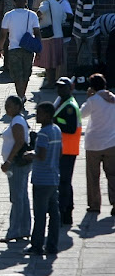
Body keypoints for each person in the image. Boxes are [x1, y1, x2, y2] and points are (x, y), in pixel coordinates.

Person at [24, 102, 62, 255]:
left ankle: (37, 246)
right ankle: (52, 245)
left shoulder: (44, 133)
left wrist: (29, 155)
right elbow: (59, 152)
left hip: (41, 180)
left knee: (40, 215)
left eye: (39, 113)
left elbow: (41, 155)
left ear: (47, 114)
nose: (37, 116)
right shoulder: (57, 130)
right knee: (54, 213)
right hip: (53, 178)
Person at [80, 74, 115, 215]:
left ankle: (94, 205)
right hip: (112, 143)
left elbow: (81, 114)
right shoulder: (113, 99)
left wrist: (88, 98)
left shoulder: (93, 100)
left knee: (93, 176)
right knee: (112, 175)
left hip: (94, 143)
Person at [0, 95, 31, 243]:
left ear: (18, 107)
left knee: (17, 197)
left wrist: (8, 161)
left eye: (10, 105)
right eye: (6, 105)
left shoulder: (17, 122)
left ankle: (15, 231)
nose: (7, 108)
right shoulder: (17, 120)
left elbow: (19, 142)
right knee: (22, 196)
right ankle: (24, 229)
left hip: (16, 165)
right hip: (19, 165)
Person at [0, 0, 41, 100]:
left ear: (14, 2)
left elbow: (3, 34)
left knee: (17, 74)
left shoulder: (8, 15)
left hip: (13, 48)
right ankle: (22, 95)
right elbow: (37, 33)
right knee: (26, 73)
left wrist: (0, 48)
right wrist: (39, 50)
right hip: (28, 48)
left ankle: (20, 96)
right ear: (26, 2)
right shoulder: (32, 15)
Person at [51, 78, 81, 225]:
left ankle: (65, 212)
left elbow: (71, 128)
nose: (59, 90)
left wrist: (55, 123)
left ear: (70, 88)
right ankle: (65, 212)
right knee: (64, 182)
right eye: (58, 87)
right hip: (62, 149)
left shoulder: (70, 106)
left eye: (63, 88)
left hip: (68, 149)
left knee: (64, 182)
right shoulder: (61, 101)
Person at [35, 0, 65, 88]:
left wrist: (38, 20)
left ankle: (49, 82)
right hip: (59, 35)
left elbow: (40, 12)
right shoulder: (58, 4)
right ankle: (54, 81)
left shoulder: (45, 3)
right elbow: (63, 18)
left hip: (48, 36)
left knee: (48, 61)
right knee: (55, 61)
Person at [73, 0, 96, 88]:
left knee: (84, 60)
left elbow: (86, 16)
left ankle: (84, 83)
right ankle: (82, 81)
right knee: (82, 59)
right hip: (80, 32)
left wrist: (83, 34)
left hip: (84, 34)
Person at [55, 0, 75, 80]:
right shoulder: (57, 2)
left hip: (64, 35)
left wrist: (61, 16)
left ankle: (62, 77)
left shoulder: (64, 3)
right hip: (58, 34)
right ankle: (58, 76)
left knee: (62, 57)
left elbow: (70, 15)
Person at [93, 13, 115, 86]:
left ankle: (111, 81)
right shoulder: (101, 20)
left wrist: (99, 58)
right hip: (113, 25)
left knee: (110, 55)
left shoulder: (94, 26)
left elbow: (98, 42)